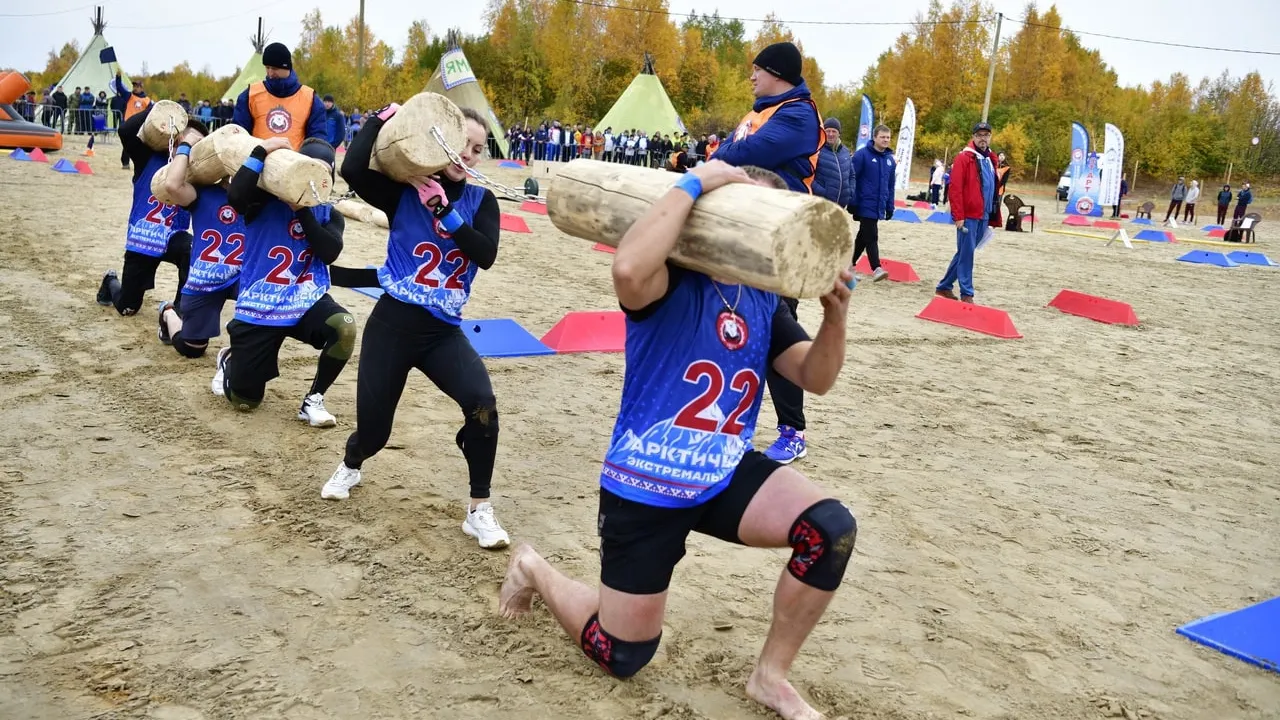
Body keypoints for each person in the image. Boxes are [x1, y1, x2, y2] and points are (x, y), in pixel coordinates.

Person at [497, 160, 857, 720]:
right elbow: (627, 271)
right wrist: (694, 184)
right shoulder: (670, 277)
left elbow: (816, 377)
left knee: (828, 530)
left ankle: (770, 677)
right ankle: (534, 569)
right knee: (621, 654)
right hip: (646, 477)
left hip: (721, 468)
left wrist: (835, 316)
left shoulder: (764, 299)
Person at [319, 104, 510, 548]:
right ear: (440, 141)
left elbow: (485, 253)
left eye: (478, 150)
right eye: (462, 145)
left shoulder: (483, 201)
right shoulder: (403, 192)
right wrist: (382, 116)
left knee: (483, 407)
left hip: (442, 333)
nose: (469, 157)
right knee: (375, 432)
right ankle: (352, 461)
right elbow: (353, 166)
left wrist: (446, 212)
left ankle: (479, 508)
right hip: (392, 325)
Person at [711, 40, 825, 465]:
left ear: (776, 72)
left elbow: (749, 152)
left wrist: (718, 157)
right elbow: (730, 151)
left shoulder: (798, 114)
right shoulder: (760, 110)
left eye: (756, 69)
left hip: (782, 235)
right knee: (736, 323)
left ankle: (793, 431)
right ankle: (733, 420)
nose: (751, 76)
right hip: (746, 231)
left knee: (777, 326)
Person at [212, 137, 355, 427]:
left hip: (304, 300)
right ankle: (230, 360)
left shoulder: (330, 214)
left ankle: (313, 399)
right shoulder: (262, 200)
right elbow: (236, 198)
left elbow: (328, 252)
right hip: (259, 305)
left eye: (325, 172)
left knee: (344, 327)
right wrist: (260, 152)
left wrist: (301, 209)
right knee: (245, 402)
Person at [95, 106, 200, 318]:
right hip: (143, 238)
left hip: (173, 236)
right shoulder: (147, 157)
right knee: (128, 307)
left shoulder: (197, 169)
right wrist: (160, 108)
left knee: (193, 250)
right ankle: (110, 281)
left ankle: (179, 312)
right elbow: (125, 130)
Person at [155, 124, 245, 359]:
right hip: (206, 278)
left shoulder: (256, 199)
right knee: (192, 348)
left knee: (263, 325)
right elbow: (172, 185)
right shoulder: (203, 193)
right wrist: (186, 145)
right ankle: (168, 312)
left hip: (243, 276)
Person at [936, 122, 1000, 304]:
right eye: (979, 135)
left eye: (986, 135)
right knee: (967, 254)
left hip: (984, 214)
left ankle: (944, 286)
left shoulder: (990, 159)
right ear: (973, 137)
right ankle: (967, 293)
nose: (983, 138)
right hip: (968, 216)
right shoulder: (964, 158)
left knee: (965, 252)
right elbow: (955, 189)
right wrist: (959, 216)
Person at [231, 42, 326, 150]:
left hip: (293, 163)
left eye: (275, 69)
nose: (270, 73)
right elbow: (239, 136)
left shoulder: (310, 98)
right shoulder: (250, 95)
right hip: (257, 162)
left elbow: (317, 139)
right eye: (267, 67)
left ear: (287, 68)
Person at [850, 124, 897, 283]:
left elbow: (890, 186)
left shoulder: (890, 160)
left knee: (863, 237)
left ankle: (847, 266)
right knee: (871, 235)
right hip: (864, 203)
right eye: (882, 137)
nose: (885, 140)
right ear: (875, 137)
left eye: (888, 137)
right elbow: (853, 178)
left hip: (879, 205)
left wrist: (890, 206)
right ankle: (876, 268)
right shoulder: (861, 155)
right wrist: (853, 201)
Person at [812, 117, 855, 215]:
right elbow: (808, 174)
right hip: (821, 204)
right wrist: (822, 192)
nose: (831, 134)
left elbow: (852, 175)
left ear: (839, 133)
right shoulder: (815, 149)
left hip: (840, 206)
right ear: (823, 132)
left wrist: (850, 192)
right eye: (828, 131)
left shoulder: (845, 152)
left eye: (834, 131)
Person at [110, 73, 150, 170]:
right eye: (134, 86)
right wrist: (118, 77)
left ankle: (140, 164)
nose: (135, 88)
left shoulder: (147, 100)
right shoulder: (129, 96)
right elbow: (119, 87)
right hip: (128, 124)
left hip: (140, 125)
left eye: (137, 86)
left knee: (140, 145)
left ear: (141, 88)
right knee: (127, 144)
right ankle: (125, 162)